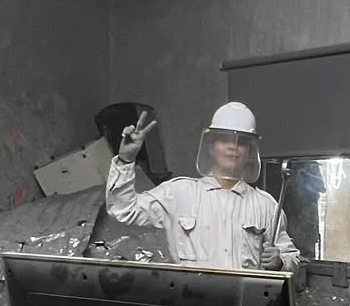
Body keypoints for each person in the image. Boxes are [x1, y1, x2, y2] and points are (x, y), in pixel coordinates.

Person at [105, 101, 301, 271]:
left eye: (241, 142)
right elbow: (124, 210)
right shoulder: (179, 193)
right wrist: (126, 159)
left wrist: (280, 262)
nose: (233, 147)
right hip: (191, 305)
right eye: (224, 139)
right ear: (210, 146)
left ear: (250, 151)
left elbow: (291, 256)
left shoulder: (265, 205)